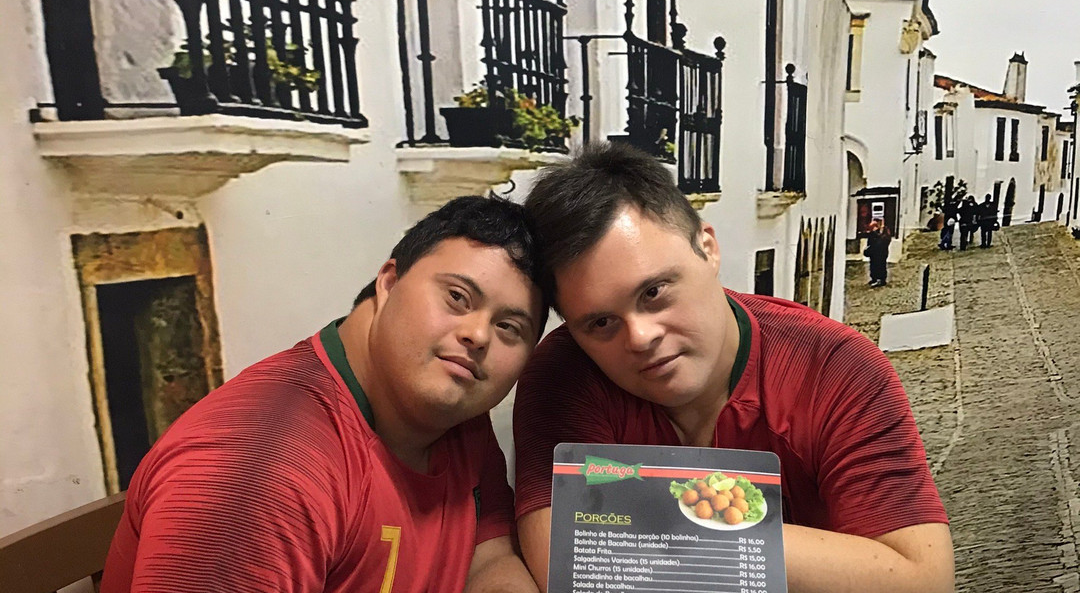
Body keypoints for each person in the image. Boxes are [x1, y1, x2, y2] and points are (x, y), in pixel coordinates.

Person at [513, 143, 953, 593]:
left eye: (654, 293)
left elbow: (922, 579)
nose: (640, 337)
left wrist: (647, 529)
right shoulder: (562, 377)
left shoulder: (836, 367)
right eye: (601, 323)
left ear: (707, 249)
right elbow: (565, 563)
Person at [102, 196, 546, 593]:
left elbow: (490, 555)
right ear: (389, 282)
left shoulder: (453, 412)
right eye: (457, 297)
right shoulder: (259, 470)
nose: (477, 335)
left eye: (509, 327)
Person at [865, 219, 892, 287]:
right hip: (874, 252)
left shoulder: (885, 231)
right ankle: (874, 278)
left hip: (881, 252)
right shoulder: (873, 232)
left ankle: (881, 279)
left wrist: (877, 235)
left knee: (880, 265)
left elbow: (885, 240)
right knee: (873, 265)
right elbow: (870, 242)